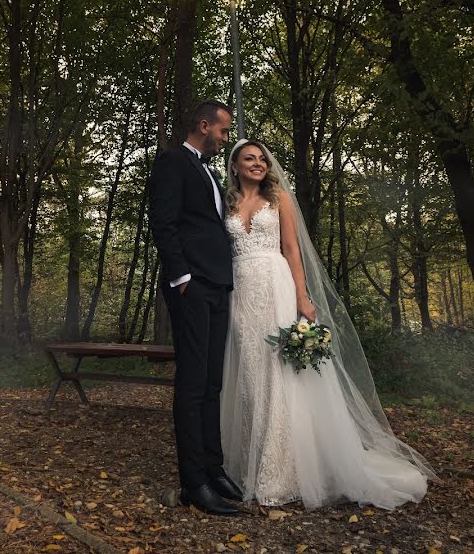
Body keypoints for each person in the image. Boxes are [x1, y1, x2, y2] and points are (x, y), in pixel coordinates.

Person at [220, 139, 436, 510]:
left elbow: (292, 250)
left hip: (276, 285)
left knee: (281, 373)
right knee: (252, 377)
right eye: (248, 159)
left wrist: (303, 298)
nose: (257, 164)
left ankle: (284, 471)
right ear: (235, 167)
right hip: (240, 292)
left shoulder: (279, 200)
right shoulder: (227, 203)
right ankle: (250, 467)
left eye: (261, 159)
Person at [147, 100, 243, 515]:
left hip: (219, 285)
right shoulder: (172, 163)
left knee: (213, 384)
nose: (225, 139)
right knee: (192, 383)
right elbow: (163, 222)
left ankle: (213, 467)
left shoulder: (209, 173)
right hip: (192, 286)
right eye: (222, 132)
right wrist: (181, 278)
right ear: (204, 126)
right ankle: (194, 483)